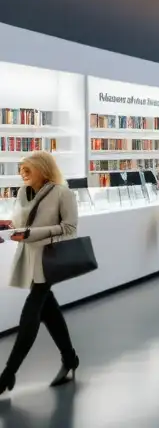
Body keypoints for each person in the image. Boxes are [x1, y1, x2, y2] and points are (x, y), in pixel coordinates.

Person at [0, 152, 80, 396]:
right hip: (29, 258)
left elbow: (69, 229)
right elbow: (23, 222)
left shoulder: (63, 193)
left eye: (27, 169)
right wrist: (8, 225)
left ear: (43, 170)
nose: (22, 173)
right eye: (21, 169)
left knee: (30, 313)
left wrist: (32, 234)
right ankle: (70, 358)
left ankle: (7, 374)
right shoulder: (23, 193)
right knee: (49, 311)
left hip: (49, 259)